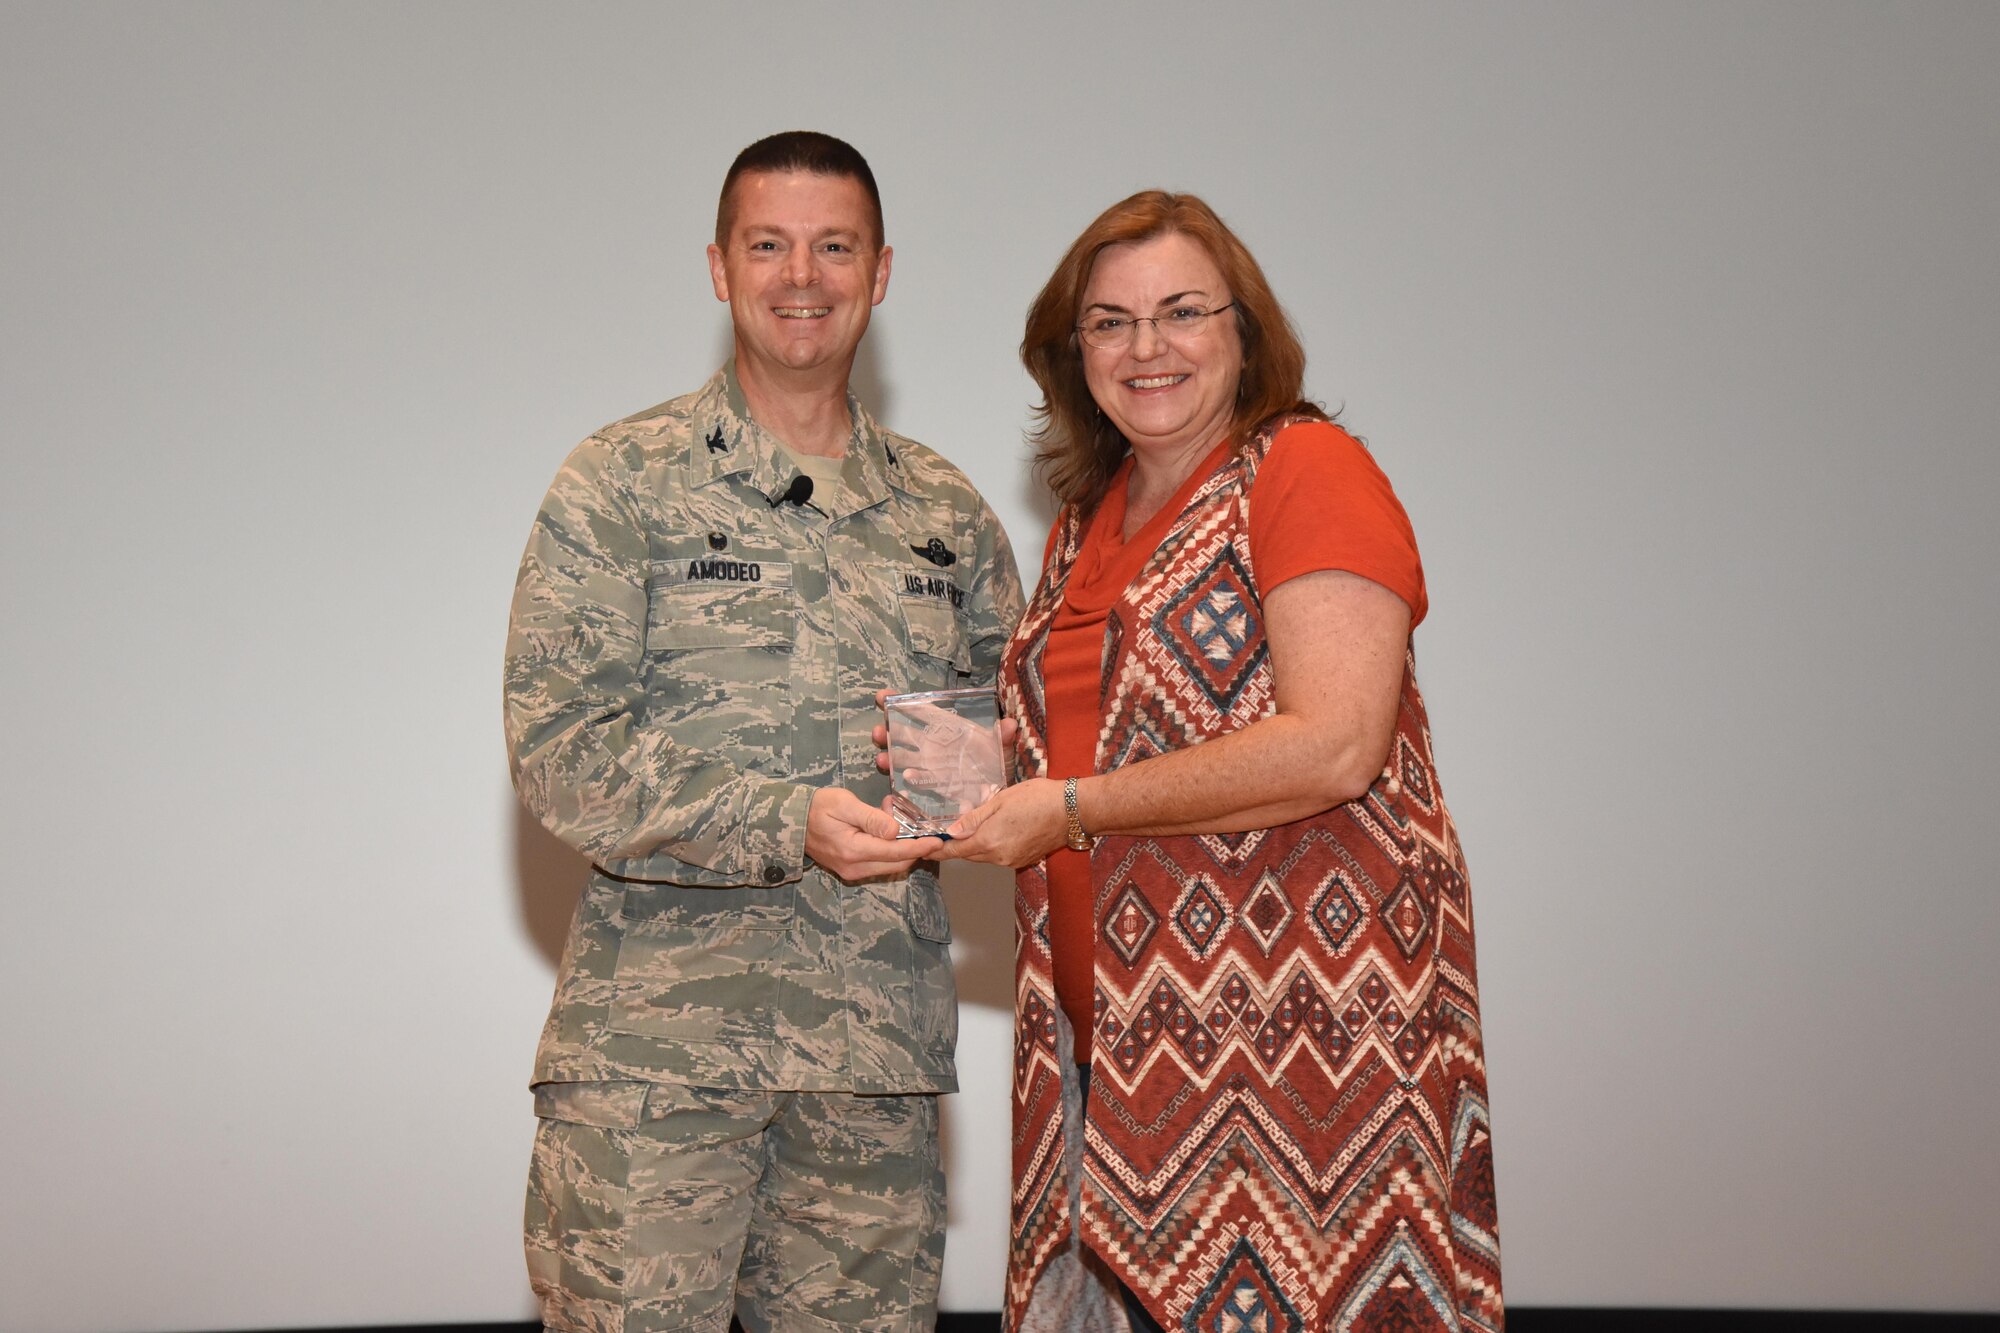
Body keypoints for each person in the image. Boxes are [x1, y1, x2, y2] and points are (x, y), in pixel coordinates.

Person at [937, 192, 1502, 1332]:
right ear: (1072, 351)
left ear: (1244, 331)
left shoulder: (1304, 467)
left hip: (1302, 1064)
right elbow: (1117, 734)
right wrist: (973, 759)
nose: (1145, 347)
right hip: (1103, 1063)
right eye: (1109, 322)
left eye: (1182, 311)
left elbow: (1335, 743)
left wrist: (1072, 808)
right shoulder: (1084, 519)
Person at [504, 131, 1024, 1333]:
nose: (802, 277)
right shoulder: (620, 481)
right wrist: (787, 821)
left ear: (879, 273)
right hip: (657, 1069)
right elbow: (561, 748)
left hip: (872, 1074)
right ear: (718, 267)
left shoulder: (946, 513)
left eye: (834, 247)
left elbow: (1020, 739)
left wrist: (989, 779)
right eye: (768, 246)